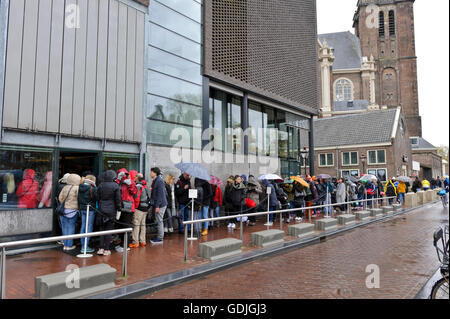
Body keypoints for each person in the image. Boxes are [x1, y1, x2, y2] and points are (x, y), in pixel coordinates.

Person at [97, 170, 121, 256]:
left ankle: (100, 248)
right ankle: (107, 249)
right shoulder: (115, 185)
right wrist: (119, 208)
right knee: (109, 229)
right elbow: (118, 199)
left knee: (101, 229)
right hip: (111, 209)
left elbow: (98, 197)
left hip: (101, 208)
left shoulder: (100, 185)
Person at [114, 169, 137, 252]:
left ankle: (126, 246)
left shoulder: (130, 182)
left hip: (128, 208)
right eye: (122, 174)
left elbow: (134, 192)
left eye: (125, 174)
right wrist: (118, 180)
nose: (124, 175)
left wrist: (130, 184)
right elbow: (114, 190)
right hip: (120, 207)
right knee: (119, 226)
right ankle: (122, 244)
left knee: (126, 226)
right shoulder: (118, 182)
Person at [58, 174, 81, 251]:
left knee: (64, 227)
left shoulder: (65, 187)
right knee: (71, 227)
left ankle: (65, 244)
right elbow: (79, 199)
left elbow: (60, 198)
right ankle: (69, 245)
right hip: (73, 210)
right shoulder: (77, 188)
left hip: (63, 210)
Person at [78, 175, 97, 253]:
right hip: (90, 209)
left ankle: (83, 245)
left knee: (83, 226)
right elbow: (95, 198)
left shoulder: (80, 187)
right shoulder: (92, 188)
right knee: (88, 227)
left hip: (82, 209)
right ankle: (85, 247)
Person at [130, 173, 151, 248]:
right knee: (143, 225)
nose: (134, 177)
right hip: (145, 208)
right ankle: (143, 241)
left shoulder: (138, 186)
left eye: (135, 176)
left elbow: (135, 196)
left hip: (139, 208)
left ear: (137, 178)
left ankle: (135, 242)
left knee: (136, 225)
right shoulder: (145, 186)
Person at [150, 167, 168, 244]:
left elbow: (160, 195)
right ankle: (159, 236)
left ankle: (160, 238)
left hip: (160, 205)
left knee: (159, 221)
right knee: (158, 220)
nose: (150, 173)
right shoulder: (156, 180)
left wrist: (157, 206)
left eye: (151, 172)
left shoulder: (159, 181)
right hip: (158, 204)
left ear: (155, 173)